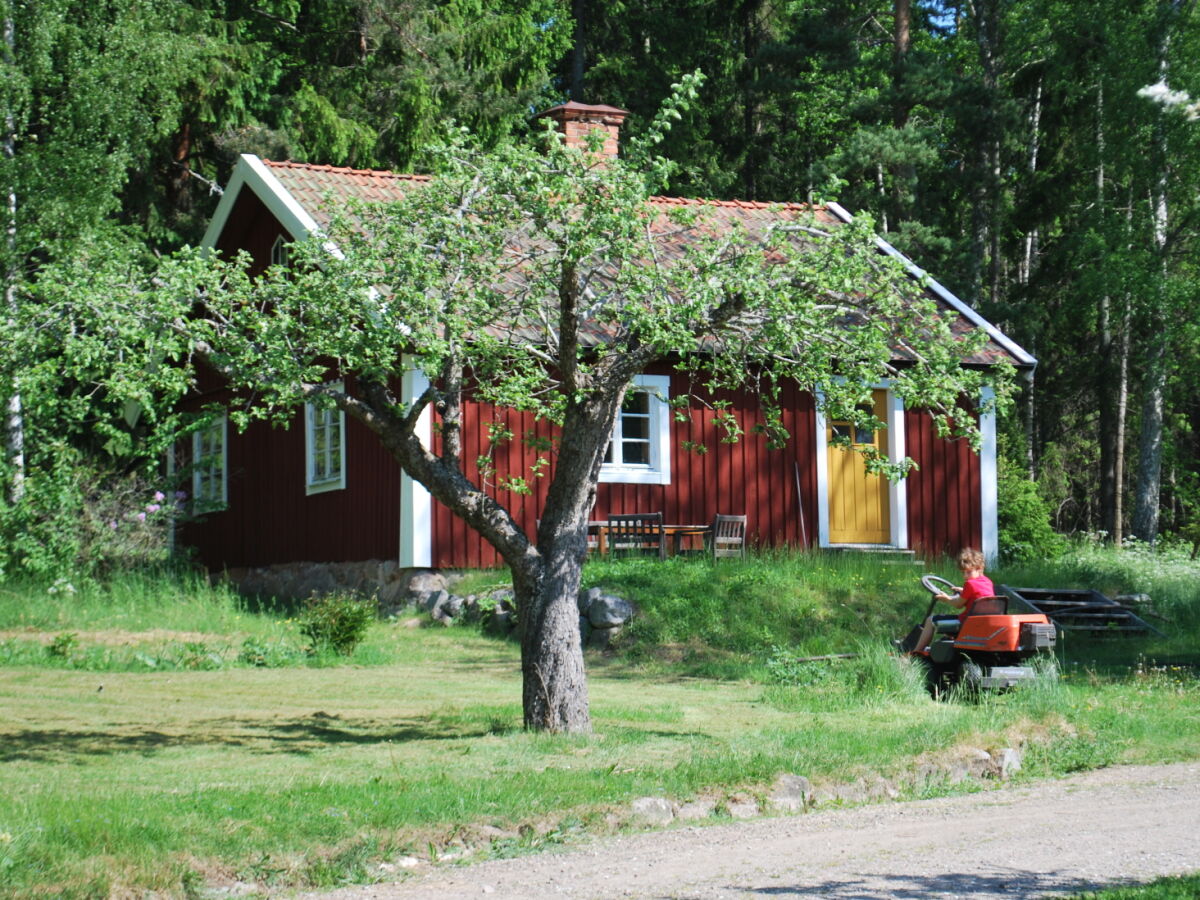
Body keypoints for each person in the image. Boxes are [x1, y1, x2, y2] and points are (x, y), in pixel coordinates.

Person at [912, 547, 994, 654]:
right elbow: (977, 594)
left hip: (966, 622)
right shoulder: (988, 582)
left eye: (968, 572)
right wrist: (963, 591)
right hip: (981, 622)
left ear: (979, 568)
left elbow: (958, 604)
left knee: (930, 620)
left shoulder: (970, 584)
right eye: (963, 572)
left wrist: (946, 599)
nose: (965, 576)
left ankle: (916, 652)